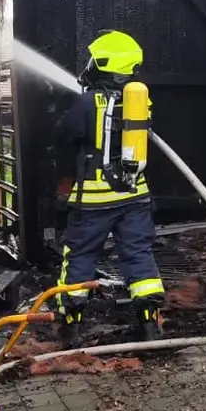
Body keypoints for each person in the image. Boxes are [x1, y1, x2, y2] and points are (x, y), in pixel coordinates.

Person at [51, 30, 165, 346]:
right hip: (134, 195)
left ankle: (71, 327)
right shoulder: (140, 102)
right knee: (139, 255)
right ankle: (148, 326)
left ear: (105, 64)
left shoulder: (87, 102)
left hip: (95, 201)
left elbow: (63, 134)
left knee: (80, 257)